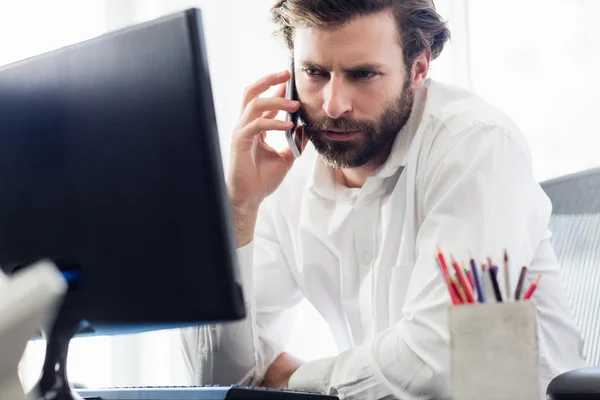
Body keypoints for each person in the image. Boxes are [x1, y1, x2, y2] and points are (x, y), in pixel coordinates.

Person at [181, 0, 585, 398]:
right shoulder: (285, 175)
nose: (333, 104)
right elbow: (218, 378)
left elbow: (437, 366)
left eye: (363, 74)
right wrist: (238, 211)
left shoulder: (476, 145)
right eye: (314, 72)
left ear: (419, 68)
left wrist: (291, 381)